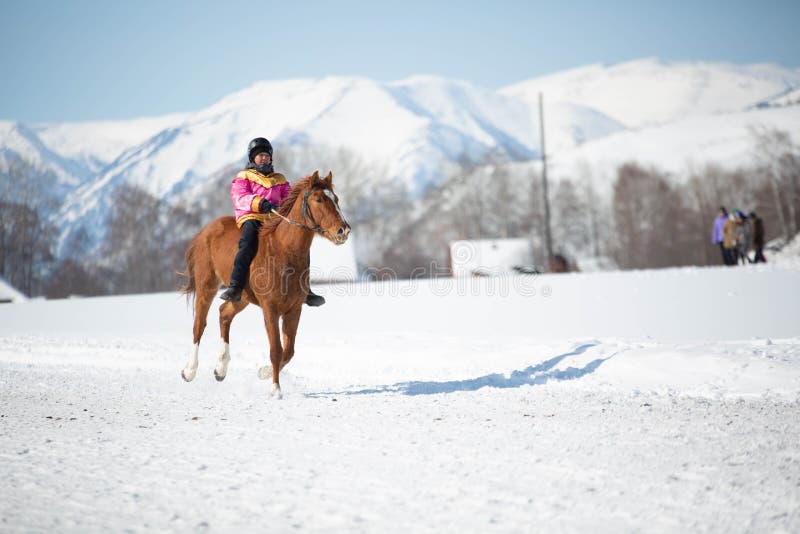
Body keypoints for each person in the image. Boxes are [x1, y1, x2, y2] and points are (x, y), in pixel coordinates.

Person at [220, 137, 326, 306]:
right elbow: (239, 197)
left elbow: (289, 199)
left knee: (301, 247)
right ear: (252, 158)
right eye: (260, 155)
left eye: (266, 155)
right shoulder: (244, 176)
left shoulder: (280, 179)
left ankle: (305, 290)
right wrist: (259, 202)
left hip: (276, 219)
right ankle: (236, 285)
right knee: (247, 244)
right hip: (253, 217)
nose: (264, 158)